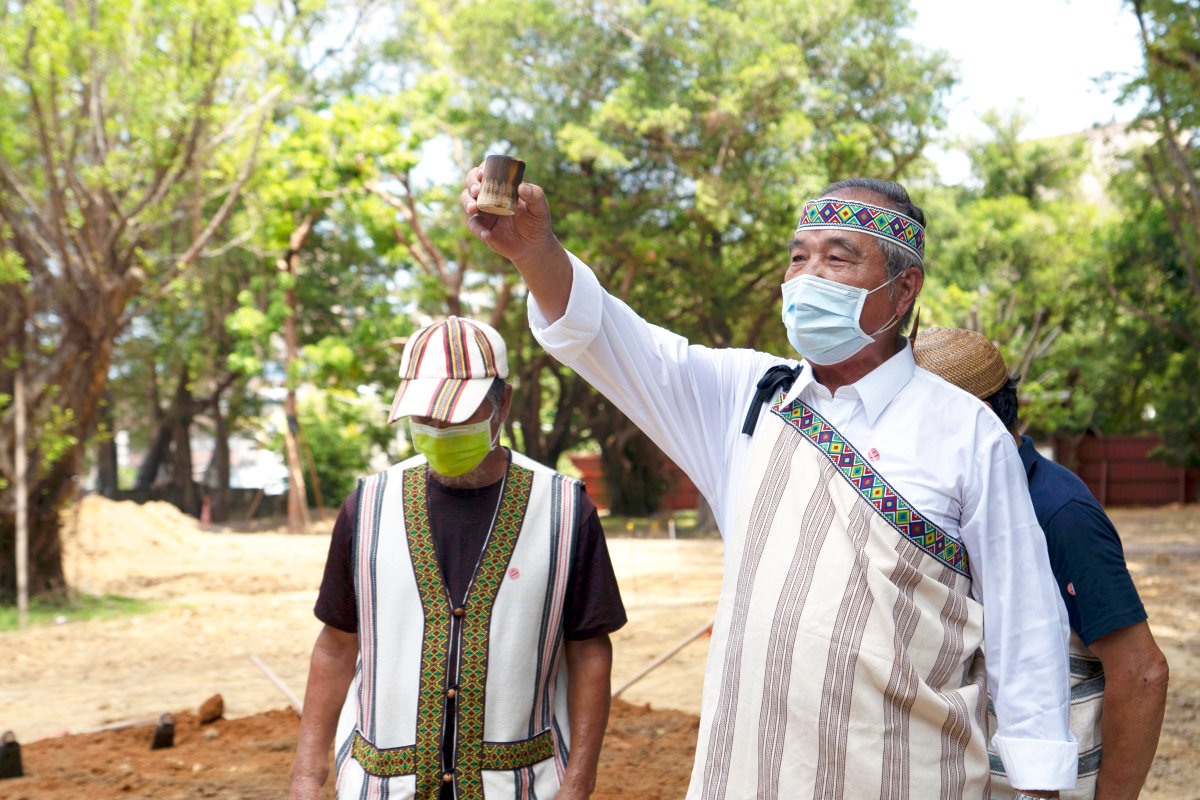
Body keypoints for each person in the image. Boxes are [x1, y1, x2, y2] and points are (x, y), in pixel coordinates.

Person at [461, 172, 1078, 799]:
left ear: (903, 290)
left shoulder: (967, 432)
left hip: (907, 778)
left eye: (838, 258)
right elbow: (610, 339)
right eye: (797, 257)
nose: (807, 277)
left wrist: (1039, 784)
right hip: (748, 777)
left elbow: (1023, 621)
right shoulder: (748, 396)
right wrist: (533, 252)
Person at [288, 316, 627, 800]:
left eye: (456, 414)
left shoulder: (564, 511)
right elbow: (337, 644)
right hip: (384, 785)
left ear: (502, 402)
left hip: (518, 786)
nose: (439, 429)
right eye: (425, 417)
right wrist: (306, 773)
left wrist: (578, 786)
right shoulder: (367, 507)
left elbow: (590, 652)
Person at [912, 326, 1170, 800]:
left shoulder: (1058, 511)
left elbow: (1143, 673)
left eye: (920, 418)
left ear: (980, 417)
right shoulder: (941, 504)